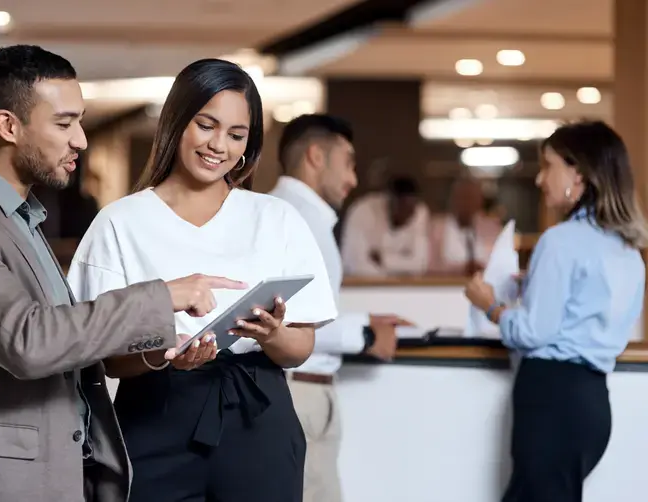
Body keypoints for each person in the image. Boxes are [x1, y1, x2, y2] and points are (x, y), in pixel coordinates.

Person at [0, 45, 244, 502]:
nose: (80, 139)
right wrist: (162, 297)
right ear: (8, 126)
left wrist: (156, 351)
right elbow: (28, 342)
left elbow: (64, 341)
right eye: (64, 123)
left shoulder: (17, 217)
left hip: (53, 470)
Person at [67, 58, 337, 502]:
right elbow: (105, 355)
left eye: (236, 135)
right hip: (156, 416)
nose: (219, 146)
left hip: (258, 419)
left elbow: (300, 348)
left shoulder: (276, 218)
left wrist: (271, 335)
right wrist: (164, 356)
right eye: (206, 125)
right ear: (176, 122)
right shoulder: (120, 222)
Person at [464, 120, 648, 502]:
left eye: (547, 166)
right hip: (593, 403)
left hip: (551, 398)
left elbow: (533, 332)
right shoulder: (629, 252)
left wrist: (491, 305)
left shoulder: (561, 242)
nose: (539, 179)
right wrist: (534, 285)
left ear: (578, 173)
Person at [269, 113, 411, 502]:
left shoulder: (298, 215)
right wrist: (365, 335)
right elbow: (283, 321)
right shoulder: (292, 218)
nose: (353, 179)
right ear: (316, 156)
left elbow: (301, 309)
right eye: (348, 163)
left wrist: (367, 320)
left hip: (306, 394)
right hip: (299, 395)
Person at [340, 175, 430, 276]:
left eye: (410, 210)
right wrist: (401, 264)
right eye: (402, 208)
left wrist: (384, 259)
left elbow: (420, 265)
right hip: (357, 288)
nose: (407, 216)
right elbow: (355, 265)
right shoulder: (362, 211)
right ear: (390, 202)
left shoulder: (419, 213)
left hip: (399, 288)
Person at [428, 176, 502, 276]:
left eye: (472, 197)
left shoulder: (492, 228)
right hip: (446, 288)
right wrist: (461, 270)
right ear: (453, 199)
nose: (467, 203)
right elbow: (429, 268)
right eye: (463, 197)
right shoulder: (436, 228)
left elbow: (501, 265)